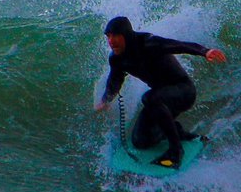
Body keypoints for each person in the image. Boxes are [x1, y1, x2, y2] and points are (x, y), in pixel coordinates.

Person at [95, 16, 227, 168]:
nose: (111, 41)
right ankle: (177, 131)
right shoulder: (117, 59)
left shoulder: (148, 43)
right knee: (140, 141)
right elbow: (114, 81)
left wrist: (205, 51)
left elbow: (179, 46)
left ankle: (176, 150)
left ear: (125, 35)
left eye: (115, 36)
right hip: (160, 97)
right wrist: (105, 101)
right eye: (108, 36)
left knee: (149, 98)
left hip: (183, 91)